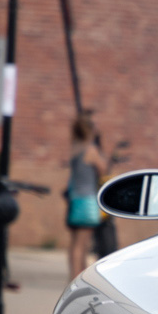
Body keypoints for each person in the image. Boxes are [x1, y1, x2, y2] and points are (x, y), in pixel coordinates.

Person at [67, 115, 108, 279]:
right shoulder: (91, 150)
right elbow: (103, 169)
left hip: (75, 199)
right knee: (82, 244)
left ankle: (75, 275)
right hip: (87, 201)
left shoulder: (76, 148)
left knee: (75, 242)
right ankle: (76, 279)